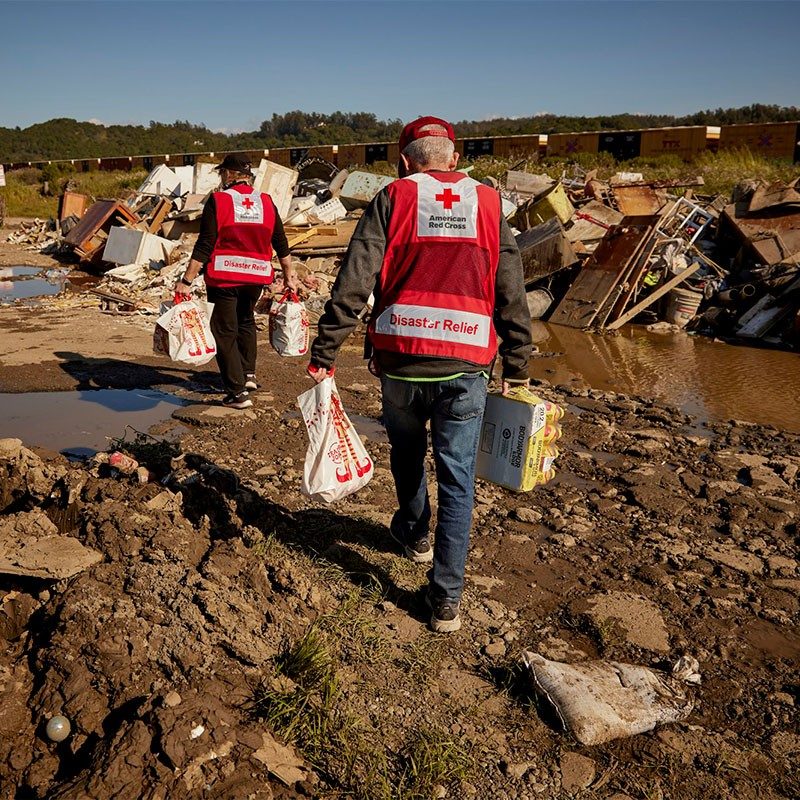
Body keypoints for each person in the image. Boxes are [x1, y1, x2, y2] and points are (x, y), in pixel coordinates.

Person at [307, 116, 532, 632]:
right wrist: (517, 362)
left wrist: (326, 348)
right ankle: (445, 600)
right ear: (453, 159)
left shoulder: (394, 197)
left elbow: (356, 277)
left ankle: (412, 533)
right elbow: (511, 288)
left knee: (406, 451)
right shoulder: (491, 204)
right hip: (467, 363)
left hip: (402, 360)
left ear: (405, 161)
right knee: (457, 478)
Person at [175, 154, 297, 409]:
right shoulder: (265, 201)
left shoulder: (219, 201)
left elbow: (205, 244)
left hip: (224, 277)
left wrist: (186, 280)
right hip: (255, 276)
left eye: (222, 173)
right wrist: (289, 276)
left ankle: (236, 393)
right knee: (245, 320)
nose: (221, 179)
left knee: (224, 331)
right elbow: (280, 242)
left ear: (229, 174)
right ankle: (248, 374)